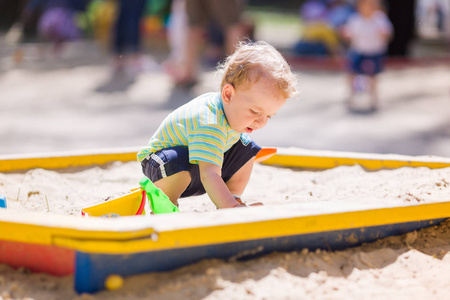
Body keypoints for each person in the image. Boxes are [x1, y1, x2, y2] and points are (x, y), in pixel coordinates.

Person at [137, 41, 297, 209]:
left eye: (269, 116)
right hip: (160, 166)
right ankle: (166, 203)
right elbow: (209, 174)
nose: (261, 122)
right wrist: (230, 210)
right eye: (255, 111)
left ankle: (234, 196)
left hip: (198, 167)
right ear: (228, 95)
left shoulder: (230, 112)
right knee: (176, 161)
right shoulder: (209, 122)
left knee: (246, 149)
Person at [341, 0, 393, 111]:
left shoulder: (380, 19)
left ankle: (374, 98)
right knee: (351, 74)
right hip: (358, 51)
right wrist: (346, 35)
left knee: (373, 77)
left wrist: (384, 34)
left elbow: (388, 34)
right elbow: (349, 34)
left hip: (374, 52)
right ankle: (351, 95)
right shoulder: (355, 19)